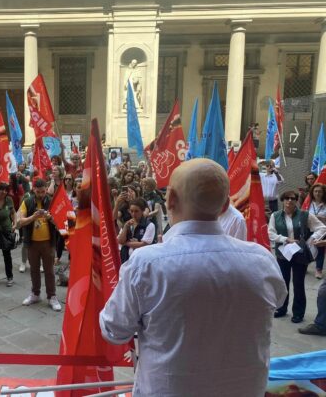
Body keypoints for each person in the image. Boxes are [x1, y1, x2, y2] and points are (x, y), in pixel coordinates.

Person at [100, 158, 287, 397]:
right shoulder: (262, 260)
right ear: (224, 205)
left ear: (170, 199)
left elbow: (114, 330)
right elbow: (279, 300)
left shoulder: (145, 264)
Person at [269, 190, 326, 323]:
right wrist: (285, 239)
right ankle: (281, 308)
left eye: (293, 198)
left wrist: (311, 239)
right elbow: (270, 233)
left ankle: (298, 313)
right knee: (283, 283)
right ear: (282, 200)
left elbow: (322, 228)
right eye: (286, 198)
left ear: (296, 201)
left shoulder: (305, 215)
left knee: (299, 283)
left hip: (300, 254)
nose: (289, 201)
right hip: (283, 254)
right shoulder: (275, 215)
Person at [17, 178, 62, 311]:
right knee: (34, 270)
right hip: (32, 243)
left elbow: (60, 223)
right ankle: (35, 294)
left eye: (43, 192)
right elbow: (19, 222)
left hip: (48, 242)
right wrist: (33, 217)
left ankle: (52, 296)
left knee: (49, 271)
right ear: (33, 190)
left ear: (46, 189)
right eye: (38, 192)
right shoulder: (27, 201)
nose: (41, 194)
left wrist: (51, 218)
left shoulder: (52, 201)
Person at [117, 198, 155, 263]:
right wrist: (125, 227)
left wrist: (125, 243)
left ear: (142, 210)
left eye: (136, 211)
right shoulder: (127, 223)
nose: (133, 214)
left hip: (141, 260)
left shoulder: (149, 225)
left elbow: (144, 244)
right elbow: (120, 241)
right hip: (125, 258)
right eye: (131, 211)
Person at [308, 183, 326, 279]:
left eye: (320, 191)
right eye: (315, 191)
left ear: (323, 193)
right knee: (306, 247)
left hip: (322, 230)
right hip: (309, 229)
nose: (317, 193)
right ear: (312, 192)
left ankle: (318, 269)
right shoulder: (308, 203)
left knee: (320, 249)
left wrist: (321, 217)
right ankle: (304, 264)